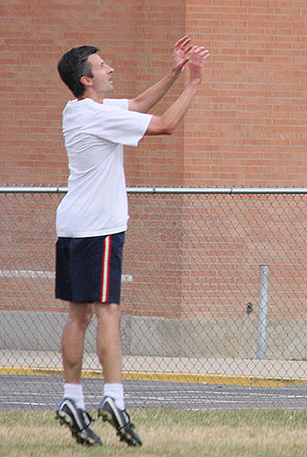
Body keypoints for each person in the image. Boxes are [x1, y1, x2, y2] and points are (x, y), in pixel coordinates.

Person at [54, 37, 209, 447]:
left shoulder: (80, 110)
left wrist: (174, 72)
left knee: (78, 315)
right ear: (87, 80)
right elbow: (164, 124)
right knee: (108, 311)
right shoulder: (95, 115)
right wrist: (193, 83)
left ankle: (72, 399)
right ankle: (114, 398)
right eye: (103, 67)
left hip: (72, 225)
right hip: (98, 227)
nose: (110, 70)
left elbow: (139, 103)